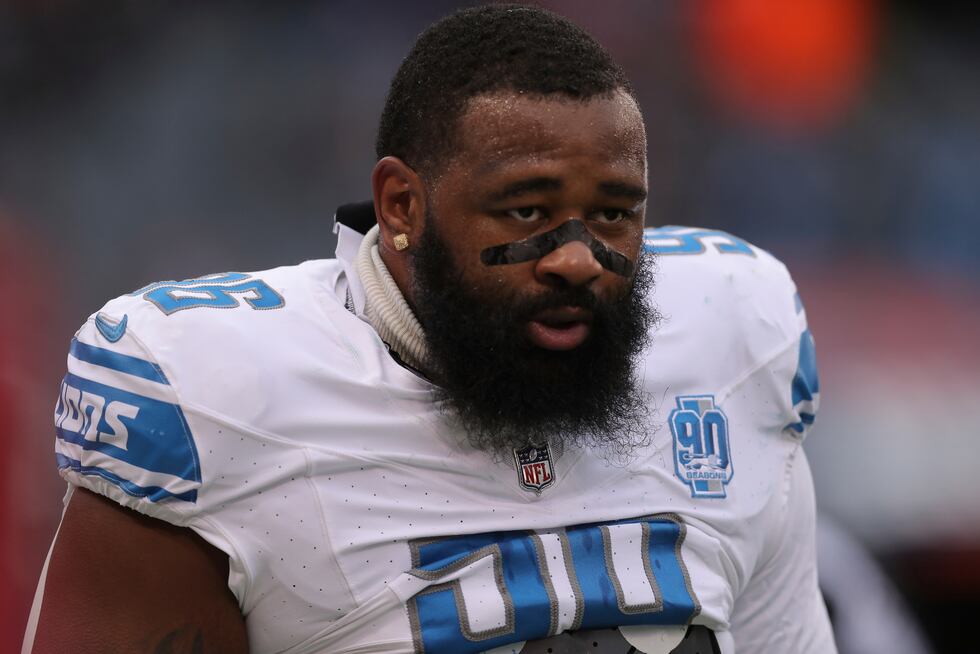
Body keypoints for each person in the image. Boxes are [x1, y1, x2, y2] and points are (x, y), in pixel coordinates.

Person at [24, 5, 835, 653]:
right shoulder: (214, 397)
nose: (577, 259)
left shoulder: (733, 332)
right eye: (528, 210)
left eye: (615, 213)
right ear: (402, 207)